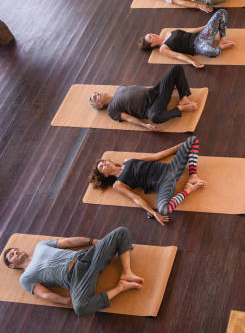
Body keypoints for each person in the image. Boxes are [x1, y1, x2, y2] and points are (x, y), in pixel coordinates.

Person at [3, 227, 142, 317]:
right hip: (75, 279)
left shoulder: (40, 246)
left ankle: (127, 272)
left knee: (121, 232)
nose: (16, 252)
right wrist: (67, 301)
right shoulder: (25, 278)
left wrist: (93, 241)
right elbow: (44, 294)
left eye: (16, 250)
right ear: (12, 266)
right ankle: (121, 287)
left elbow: (68, 242)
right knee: (80, 308)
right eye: (12, 255)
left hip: (84, 258)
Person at [89, 136, 207, 226]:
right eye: (102, 167)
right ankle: (188, 190)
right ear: (105, 175)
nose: (104, 164)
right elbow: (136, 198)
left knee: (192, 140)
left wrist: (179, 147)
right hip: (163, 184)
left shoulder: (128, 160)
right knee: (163, 209)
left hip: (170, 169)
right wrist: (154, 213)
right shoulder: (118, 184)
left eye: (104, 162)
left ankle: (193, 175)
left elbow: (156, 156)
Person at [89, 65, 198, 131]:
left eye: (96, 93)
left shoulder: (119, 89)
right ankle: (180, 109)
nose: (98, 94)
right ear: (99, 105)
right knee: (154, 117)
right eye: (95, 97)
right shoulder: (111, 110)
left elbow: (140, 90)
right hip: (150, 108)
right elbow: (128, 118)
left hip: (154, 92)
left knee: (176, 68)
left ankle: (183, 98)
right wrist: (145, 125)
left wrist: (169, 87)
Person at [138, 9, 233, 69]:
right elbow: (178, 56)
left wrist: (206, 26)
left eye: (150, 34)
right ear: (152, 45)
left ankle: (222, 39)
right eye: (150, 37)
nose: (153, 34)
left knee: (222, 12)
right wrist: (192, 62)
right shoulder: (163, 48)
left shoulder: (168, 32)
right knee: (212, 52)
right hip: (198, 46)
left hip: (201, 35)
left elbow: (189, 31)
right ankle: (220, 47)